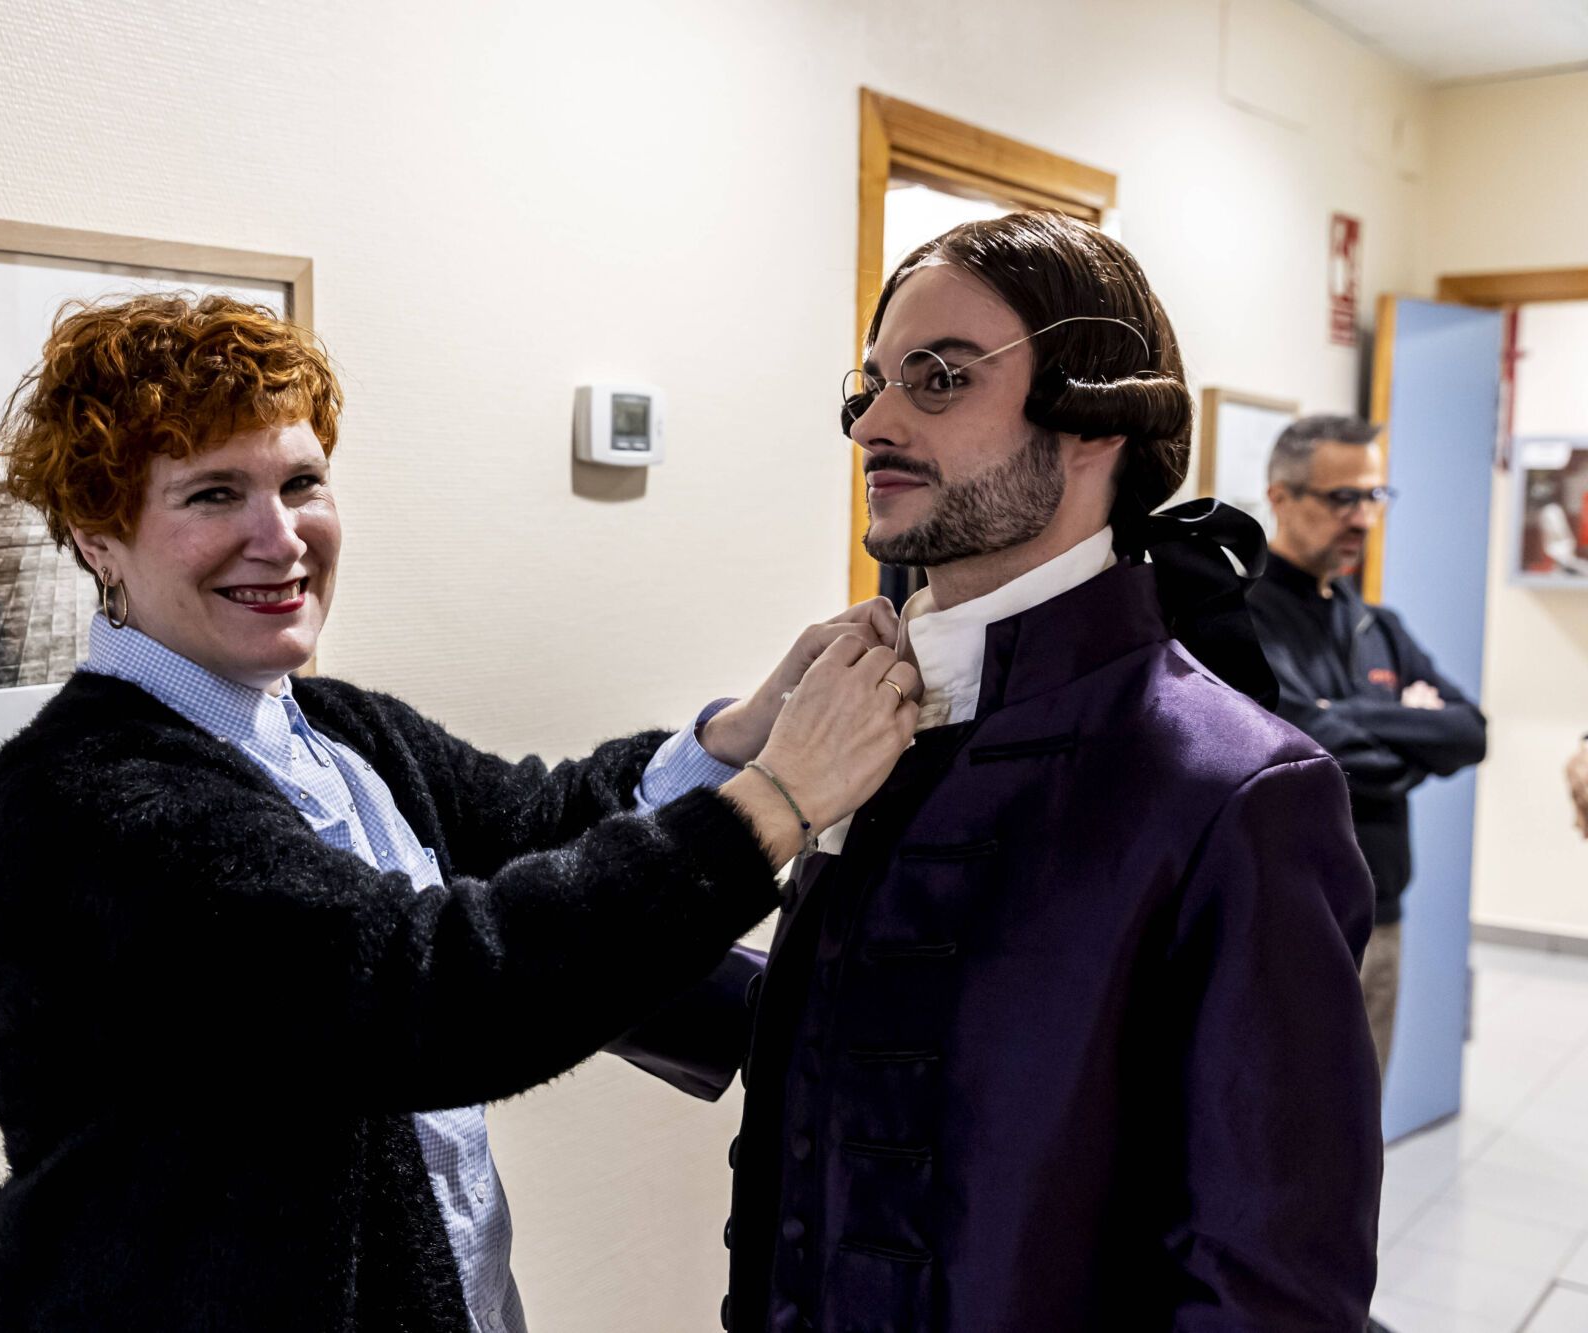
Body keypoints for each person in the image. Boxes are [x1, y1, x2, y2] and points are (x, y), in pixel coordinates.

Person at [0, 293, 922, 1332]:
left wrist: (741, 734)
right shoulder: (80, 799)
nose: (277, 538)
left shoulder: (331, 725)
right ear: (101, 536)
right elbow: (433, 988)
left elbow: (541, 825)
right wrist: (773, 802)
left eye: (300, 482)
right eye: (212, 494)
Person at [621, 212, 1382, 1331]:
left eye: (936, 379)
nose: (873, 422)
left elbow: (1269, 1285)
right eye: (870, 385)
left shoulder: (1238, 791)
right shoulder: (861, 710)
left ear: (1094, 421)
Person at [1246, 415, 1489, 1082]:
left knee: (1359, 1134)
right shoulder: (1243, 619)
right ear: (1280, 497)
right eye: (1341, 498)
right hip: (1291, 922)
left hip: (1384, 918)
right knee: (1286, 1130)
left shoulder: (1375, 624)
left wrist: (1349, 716)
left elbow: (1469, 730)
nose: (1362, 518)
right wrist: (1401, 724)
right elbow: (1308, 751)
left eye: (1373, 496)